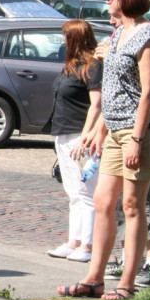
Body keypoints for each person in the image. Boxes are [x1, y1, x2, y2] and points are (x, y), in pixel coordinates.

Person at [58, 0, 150, 300]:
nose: (106, 2)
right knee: (104, 203)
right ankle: (94, 279)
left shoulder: (146, 36)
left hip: (136, 133)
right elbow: (114, 91)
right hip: (113, 131)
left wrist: (135, 138)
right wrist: (98, 129)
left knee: (133, 206)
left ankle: (126, 284)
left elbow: (147, 93)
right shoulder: (118, 33)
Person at [46, 20, 102, 263]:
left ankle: (87, 246)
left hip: (80, 136)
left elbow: (97, 104)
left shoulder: (92, 66)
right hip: (64, 134)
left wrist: (87, 135)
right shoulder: (71, 65)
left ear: (76, 39)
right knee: (73, 192)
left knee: (86, 192)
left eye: (66, 37)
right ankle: (74, 242)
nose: (63, 41)